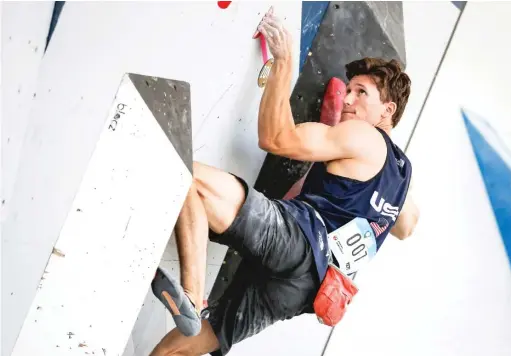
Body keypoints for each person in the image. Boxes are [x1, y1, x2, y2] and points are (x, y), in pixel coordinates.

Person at [150, 11, 419, 356]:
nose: (348, 100)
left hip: (297, 241)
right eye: (349, 90)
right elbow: (407, 226)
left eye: (361, 93)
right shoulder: (401, 173)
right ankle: (188, 315)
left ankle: (190, 294)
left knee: (189, 178)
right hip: (306, 292)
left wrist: (284, 60)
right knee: (186, 346)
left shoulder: (363, 135)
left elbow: (276, 137)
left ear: (387, 110)